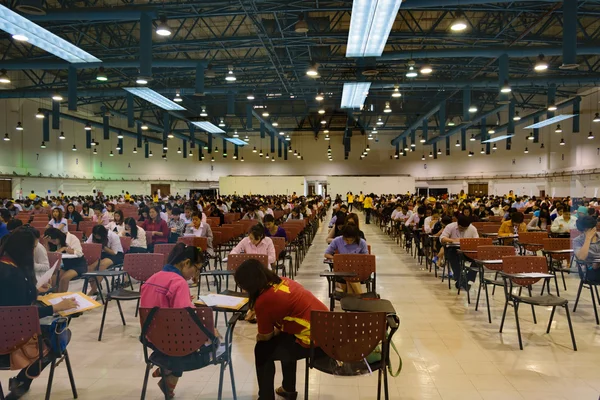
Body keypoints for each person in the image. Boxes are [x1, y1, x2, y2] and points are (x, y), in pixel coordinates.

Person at [0, 228, 78, 400]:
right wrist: (55, 308)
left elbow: (10, 301)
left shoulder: (6, 267)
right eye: (33, 249)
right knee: (57, 338)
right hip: (9, 344)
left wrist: (33, 290)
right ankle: (23, 380)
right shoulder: (15, 274)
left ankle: (22, 382)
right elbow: (23, 314)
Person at [234, 259, 328, 400]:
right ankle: (288, 389)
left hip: (316, 340)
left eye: (243, 286)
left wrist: (259, 336)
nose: (242, 290)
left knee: (262, 350)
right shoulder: (281, 281)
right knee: (283, 339)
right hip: (327, 329)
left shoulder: (264, 300)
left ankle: (266, 397)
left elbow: (266, 336)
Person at [139, 243, 205, 398]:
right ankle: (168, 371)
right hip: (172, 340)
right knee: (207, 343)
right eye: (196, 269)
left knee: (178, 343)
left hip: (151, 337)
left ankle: (166, 370)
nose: (195, 275)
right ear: (186, 262)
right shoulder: (179, 282)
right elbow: (184, 319)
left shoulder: (152, 278)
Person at [440, 215, 479, 289]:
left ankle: (467, 279)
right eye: (461, 228)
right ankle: (460, 278)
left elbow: (476, 241)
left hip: (467, 250)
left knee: (478, 259)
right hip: (453, 249)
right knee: (452, 254)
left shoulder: (472, 228)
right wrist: (452, 240)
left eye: (465, 228)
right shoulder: (450, 226)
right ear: (457, 224)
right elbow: (442, 238)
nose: (463, 230)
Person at [43, 227, 87, 293]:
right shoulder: (53, 243)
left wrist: (65, 248)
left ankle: (62, 299)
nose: (53, 243)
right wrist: (46, 243)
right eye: (51, 242)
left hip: (78, 264)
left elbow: (79, 253)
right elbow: (48, 254)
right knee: (54, 278)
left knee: (64, 278)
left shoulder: (71, 238)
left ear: (59, 237)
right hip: (66, 265)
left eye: (54, 241)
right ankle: (55, 297)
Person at [85, 225, 124, 296]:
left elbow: (114, 252)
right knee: (90, 266)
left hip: (116, 255)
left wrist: (102, 246)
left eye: (98, 236)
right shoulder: (93, 235)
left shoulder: (113, 236)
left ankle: (92, 291)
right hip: (102, 253)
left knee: (102, 265)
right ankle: (94, 289)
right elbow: (87, 244)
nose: (96, 237)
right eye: (95, 235)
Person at [574, 216, 600, 283]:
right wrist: (588, 238)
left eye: (589, 230)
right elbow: (581, 257)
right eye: (585, 230)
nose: (588, 232)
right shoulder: (577, 241)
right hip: (588, 272)